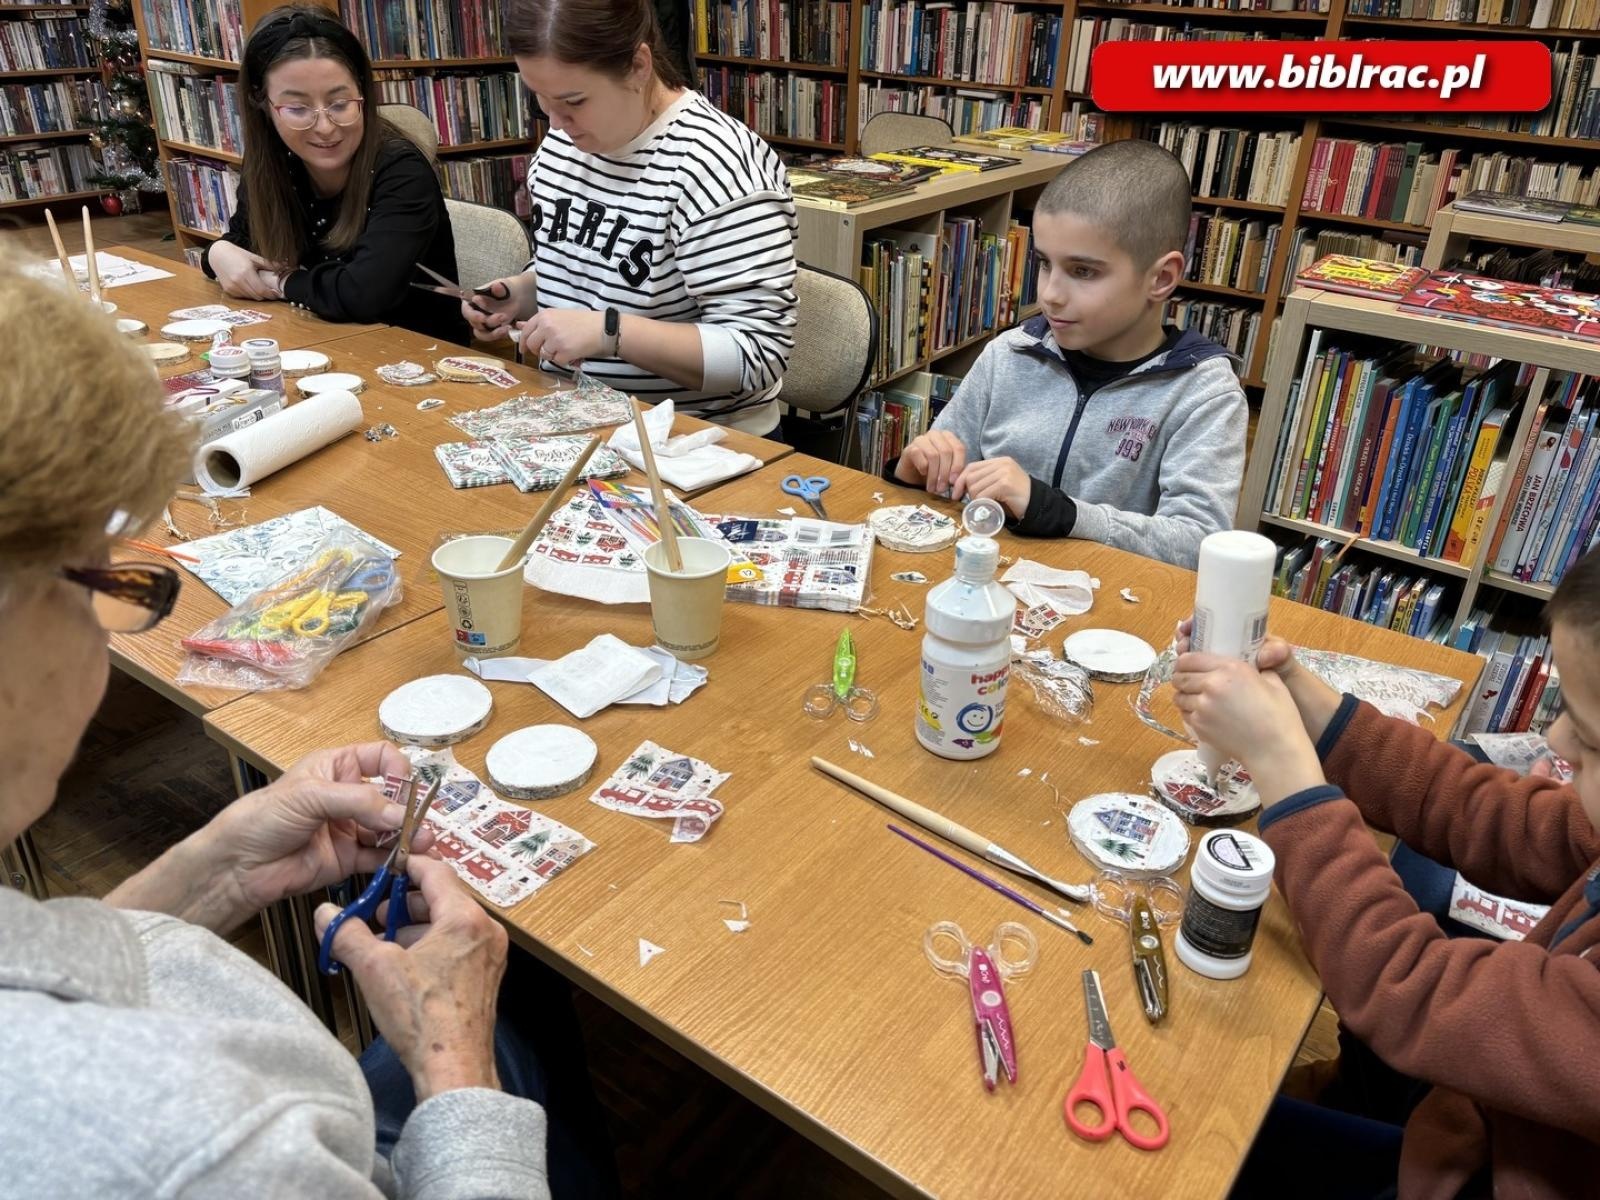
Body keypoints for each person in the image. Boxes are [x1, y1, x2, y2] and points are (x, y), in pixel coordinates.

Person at [0, 256, 548, 1196]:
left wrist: (218, 871)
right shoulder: (207, 1145)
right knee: (516, 1033)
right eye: (108, 578)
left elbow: (37, 972)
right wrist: (457, 1071)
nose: (106, 630)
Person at [1172, 547, 1600, 1199]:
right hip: (1459, 1126)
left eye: (1592, 738)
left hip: (1459, 1173)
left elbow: (1409, 986)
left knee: (1192, 1135)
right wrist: (1313, 713)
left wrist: (1282, 765)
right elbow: (1497, 817)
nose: (1560, 742)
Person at [889, 140, 1246, 570]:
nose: (1050, 294)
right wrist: (913, 471)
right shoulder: (1008, 354)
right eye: (1044, 263)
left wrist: (1058, 511)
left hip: (1114, 600)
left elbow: (1198, 544)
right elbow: (947, 489)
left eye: (1083, 271)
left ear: (1161, 278)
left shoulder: (1204, 393)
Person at [462, 0, 798, 435]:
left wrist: (611, 333)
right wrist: (524, 294)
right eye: (540, 99)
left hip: (698, 439)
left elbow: (756, 354)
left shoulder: (719, 167)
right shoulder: (565, 146)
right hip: (574, 415)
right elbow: (590, 265)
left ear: (639, 66)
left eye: (573, 101)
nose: (557, 124)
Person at [203, 6, 470, 345]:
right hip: (313, 340)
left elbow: (363, 294)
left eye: (340, 104)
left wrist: (280, 281)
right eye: (298, 109)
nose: (325, 127)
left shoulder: (402, 171)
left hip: (413, 354)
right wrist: (217, 253)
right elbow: (241, 243)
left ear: (363, 94)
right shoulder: (274, 160)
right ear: (263, 103)